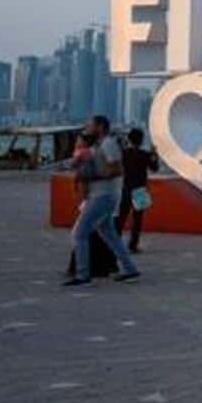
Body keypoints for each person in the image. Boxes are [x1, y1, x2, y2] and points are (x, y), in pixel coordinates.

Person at [66, 116, 140, 287]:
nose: (87, 128)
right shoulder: (98, 145)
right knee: (110, 235)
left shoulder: (108, 144)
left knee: (79, 233)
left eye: (90, 125)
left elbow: (117, 169)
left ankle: (83, 274)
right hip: (100, 195)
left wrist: (91, 176)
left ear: (100, 127)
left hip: (103, 195)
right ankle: (130, 269)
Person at [64, 133, 118, 279]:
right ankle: (107, 267)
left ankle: (81, 271)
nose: (76, 144)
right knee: (101, 235)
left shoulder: (87, 157)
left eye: (78, 142)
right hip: (102, 199)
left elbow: (84, 179)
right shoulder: (97, 156)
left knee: (82, 234)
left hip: (94, 200)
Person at [116, 128, 158, 253]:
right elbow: (154, 168)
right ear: (141, 140)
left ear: (129, 139)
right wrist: (154, 155)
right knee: (137, 219)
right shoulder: (145, 155)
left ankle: (115, 242)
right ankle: (133, 245)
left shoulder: (124, 153)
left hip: (126, 188)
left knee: (121, 218)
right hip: (140, 189)